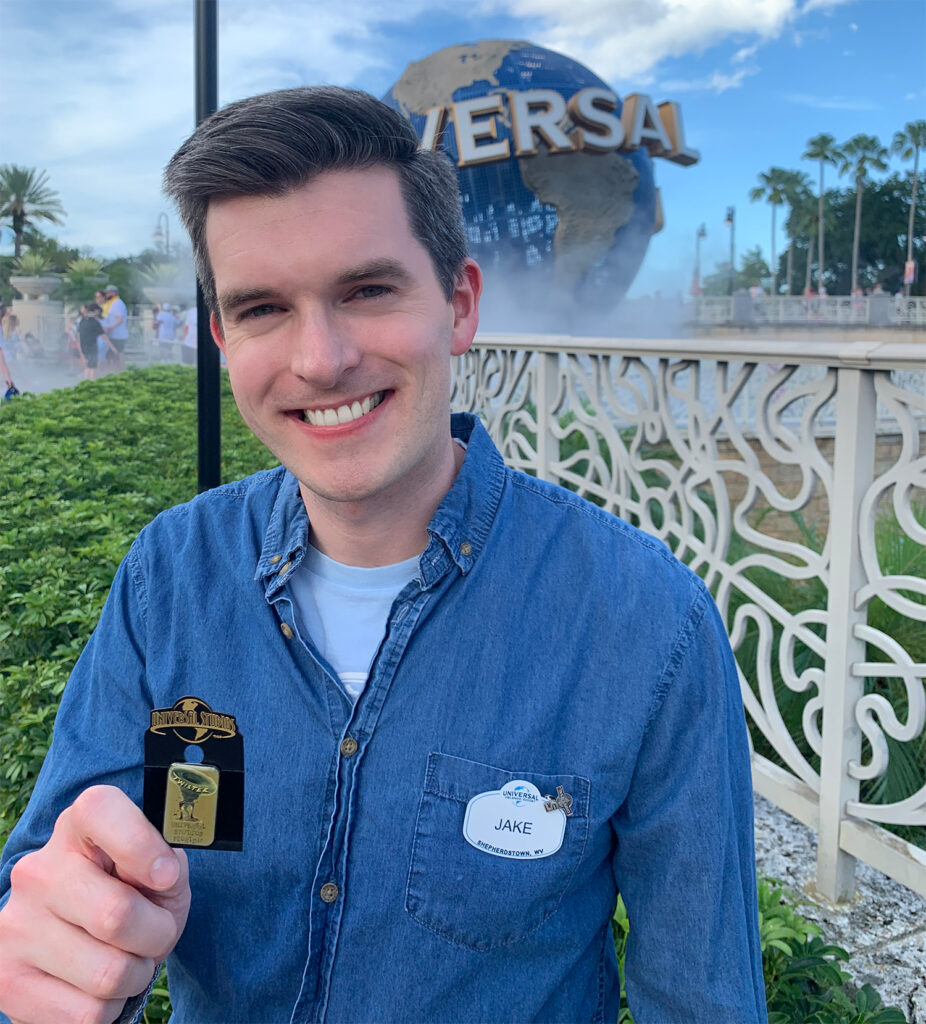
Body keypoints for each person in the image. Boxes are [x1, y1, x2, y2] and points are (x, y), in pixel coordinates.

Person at [0, 86, 766, 1024]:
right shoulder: (169, 579)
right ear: (222, 338)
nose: (319, 360)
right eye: (264, 308)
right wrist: (49, 959)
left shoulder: (649, 626)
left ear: (459, 303)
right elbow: (45, 893)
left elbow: (704, 997)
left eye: (367, 290)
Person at [77, 302, 114, 380]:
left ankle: (86, 381)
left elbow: (78, 335)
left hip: (84, 346)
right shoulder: (94, 322)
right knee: (92, 366)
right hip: (92, 346)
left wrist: (80, 348)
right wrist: (113, 348)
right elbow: (104, 336)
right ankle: (91, 382)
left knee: (88, 365)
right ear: (96, 311)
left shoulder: (82, 320)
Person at [101, 283, 129, 371]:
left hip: (118, 335)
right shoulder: (110, 304)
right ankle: (113, 371)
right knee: (111, 356)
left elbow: (120, 319)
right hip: (112, 335)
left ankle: (120, 371)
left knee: (118, 355)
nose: (106, 295)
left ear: (114, 293)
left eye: (108, 293)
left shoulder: (117, 303)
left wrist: (111, 327)